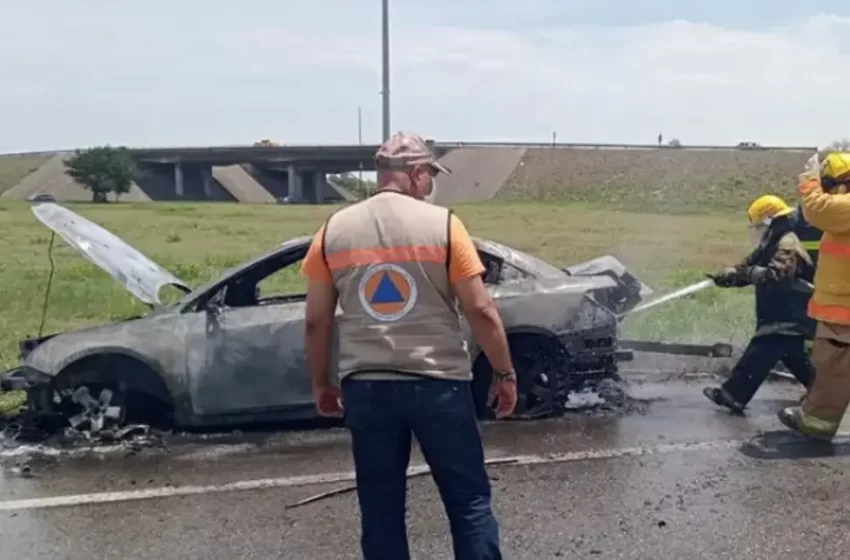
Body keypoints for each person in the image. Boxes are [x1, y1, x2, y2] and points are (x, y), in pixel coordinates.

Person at [301, 131, 518, 559]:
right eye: (431, 176)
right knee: (468, 502)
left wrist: (321, 383)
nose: (432, 186)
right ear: (416, 174)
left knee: (380, 511)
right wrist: (505, 372)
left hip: (366, 386)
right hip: (438, 383)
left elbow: (315, 320)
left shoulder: (333, 230)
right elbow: (481, 310)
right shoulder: (443, 224)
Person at [702, 194, 815, 414]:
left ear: (769, 221)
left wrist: (748, 273)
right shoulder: (772, 239)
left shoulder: (787, 243)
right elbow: (749, 266)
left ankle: (732, 395)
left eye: (757, 227)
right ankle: (826, 395)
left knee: (762, 348)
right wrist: (730, 275)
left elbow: (778, 276)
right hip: (782, 314)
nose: (755, 232)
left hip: (790, 312)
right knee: (794, 356)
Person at [779, 152, 850, 441]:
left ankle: (816, 423)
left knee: (832, 368)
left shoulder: (845, 207)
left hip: (843, 312)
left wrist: (809, 181)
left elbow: (816, 209)